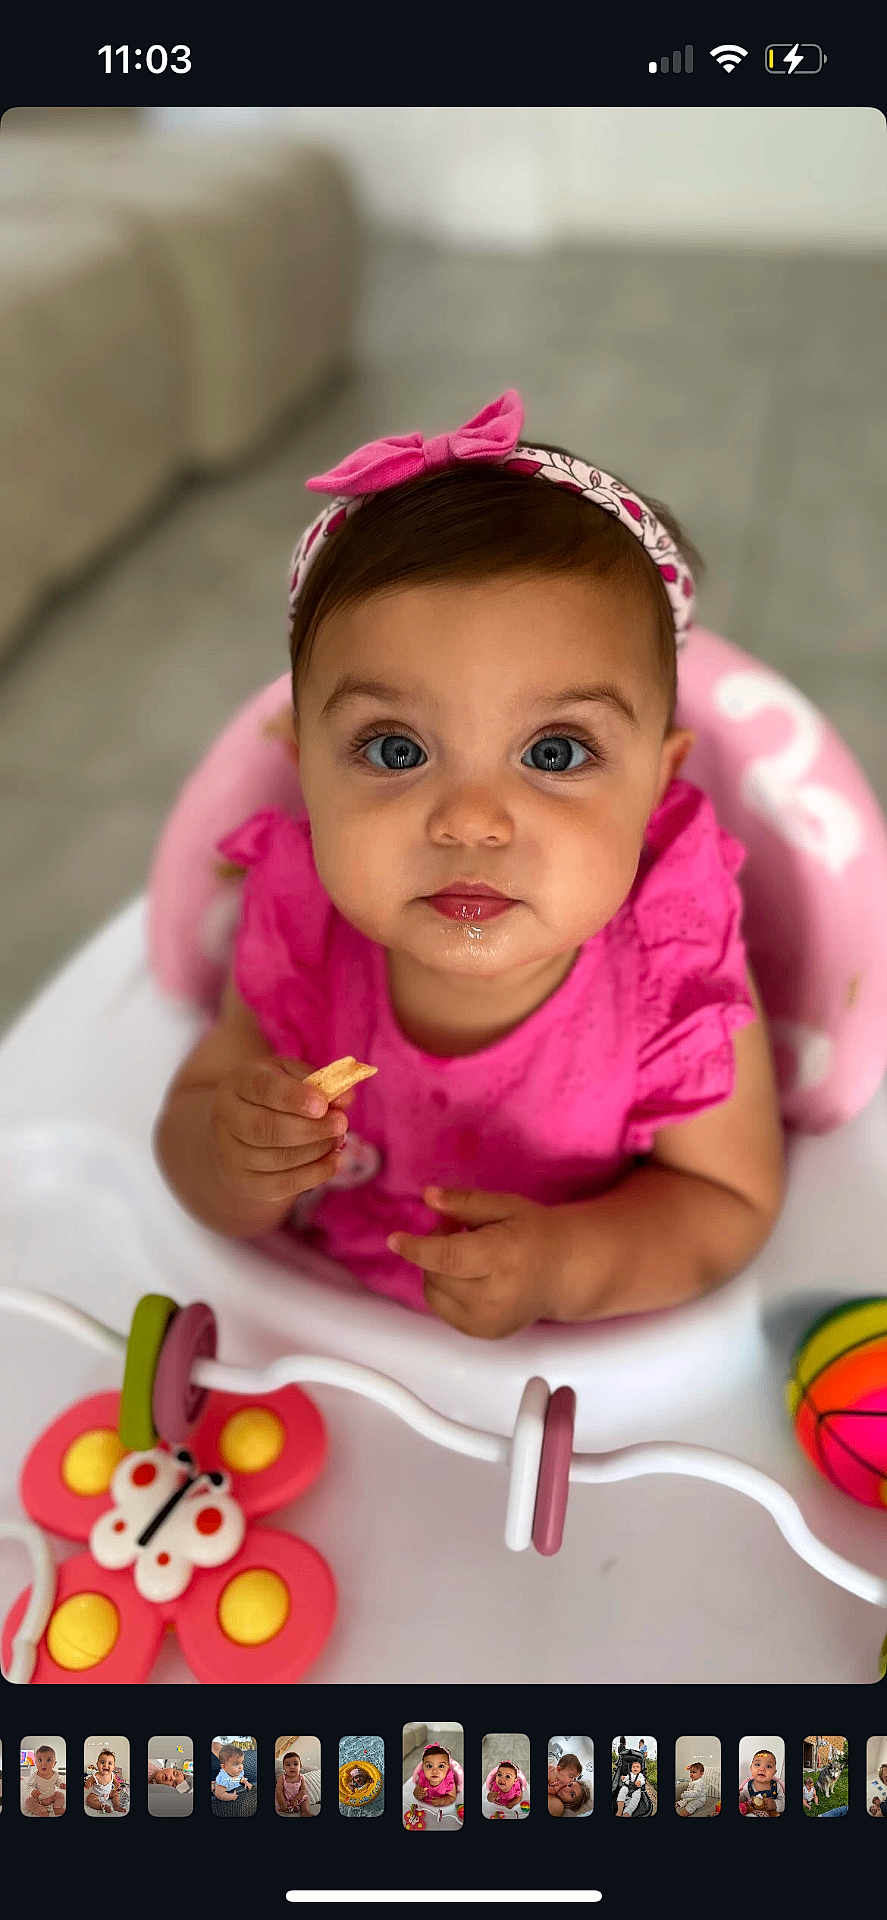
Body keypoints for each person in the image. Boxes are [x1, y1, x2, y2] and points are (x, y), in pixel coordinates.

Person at [154, 389, 785, 1339]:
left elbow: (727, 1204)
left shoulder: (673, 968)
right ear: (303, 768)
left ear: (656, 788)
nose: (471, 823)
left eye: (557, 752)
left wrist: (567, 1265)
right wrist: (231, 1158)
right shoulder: (302, 930)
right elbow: (191, 1133)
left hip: (574, 1381)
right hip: (324, 1345)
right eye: (395, 750)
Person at [739, 1750, 784, 1817]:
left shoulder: (777, 1786)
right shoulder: (747, 1786)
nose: (762, 1769)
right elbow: (743, 1799)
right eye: (757, 1764)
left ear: (774, 1772)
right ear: (751, 1769)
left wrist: (775, 1804)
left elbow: (783, 1802)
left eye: (768, 1766)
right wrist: (739, 1796)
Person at [25, 1745, 65, 1817]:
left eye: (48, 1760)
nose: (43, 1764)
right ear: (36, 1763)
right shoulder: (35, 1776)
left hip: (52, 1796)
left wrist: (61, 1784)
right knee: (28, 1801)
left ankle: (57, 1808)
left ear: (54, 1764)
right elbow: (29, 1785)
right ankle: (41, 1810)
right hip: (39, 1799)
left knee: (60, 1795)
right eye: (40, 1760)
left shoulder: (55, 1774)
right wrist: (32, 1791)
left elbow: (57, 1781)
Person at [85, 1748, 124, 1815]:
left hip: (108, 1793)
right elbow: (88, 1783)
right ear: (97, 1764)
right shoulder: (95, 1776)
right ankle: (102, 1806)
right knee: (89, 1800)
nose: (106, 1765)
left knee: (116, 1794)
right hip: (96, 1795)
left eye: (110, 1763)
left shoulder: (112, 1775)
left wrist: (117, 1784)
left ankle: (116, 1806)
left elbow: (115, 1781)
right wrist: (88, 1784)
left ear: (114, 1767)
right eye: (102, 1762)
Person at [275, 1748, 312, 1817]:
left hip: (298, 1799)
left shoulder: (301, 1778)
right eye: (288, 1765)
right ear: (283, 1767)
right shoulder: (282, 1778)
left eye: (295, 1764)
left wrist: (297, 1799)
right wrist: (282, 1803)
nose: (292, 1767)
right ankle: (287, 1808)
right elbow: (279, 1791)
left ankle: (305, 1811)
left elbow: (303, 1790)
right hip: (285, 1798)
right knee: (281, 1803)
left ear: (300, 1766)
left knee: (305, 1799)